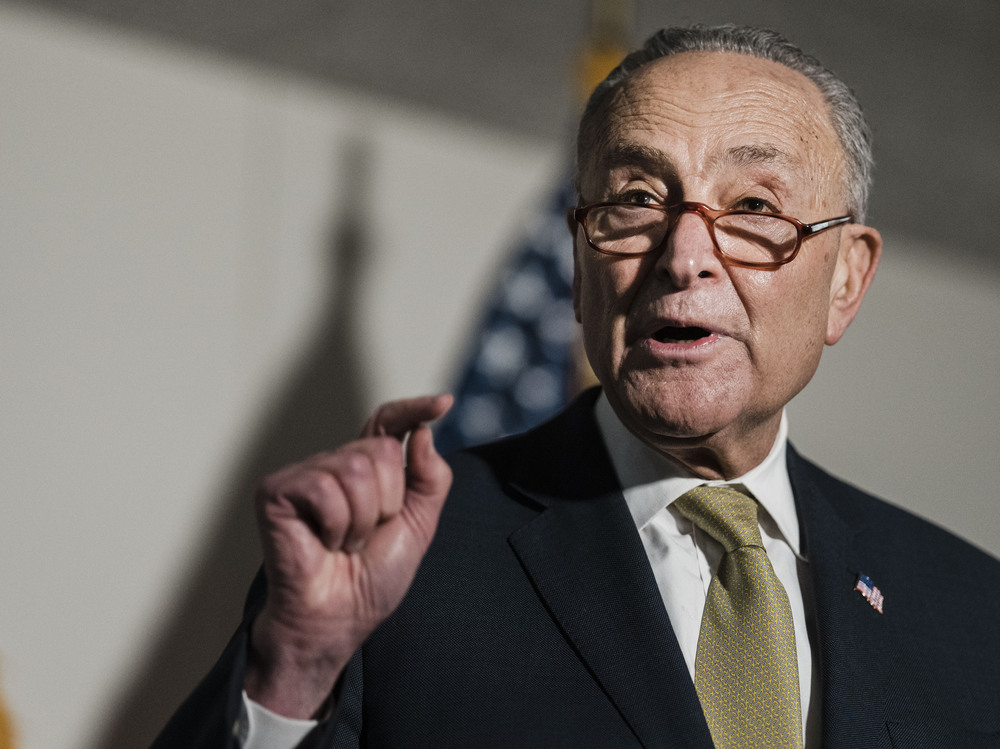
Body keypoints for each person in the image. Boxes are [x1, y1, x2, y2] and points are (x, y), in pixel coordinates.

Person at [153, 24, 1000, 749]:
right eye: (636, 198)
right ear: (581, 254)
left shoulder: (968, 610)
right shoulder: (395, 566)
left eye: (751, 204)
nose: (684, 255)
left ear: (847, 279)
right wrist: (295, 671)